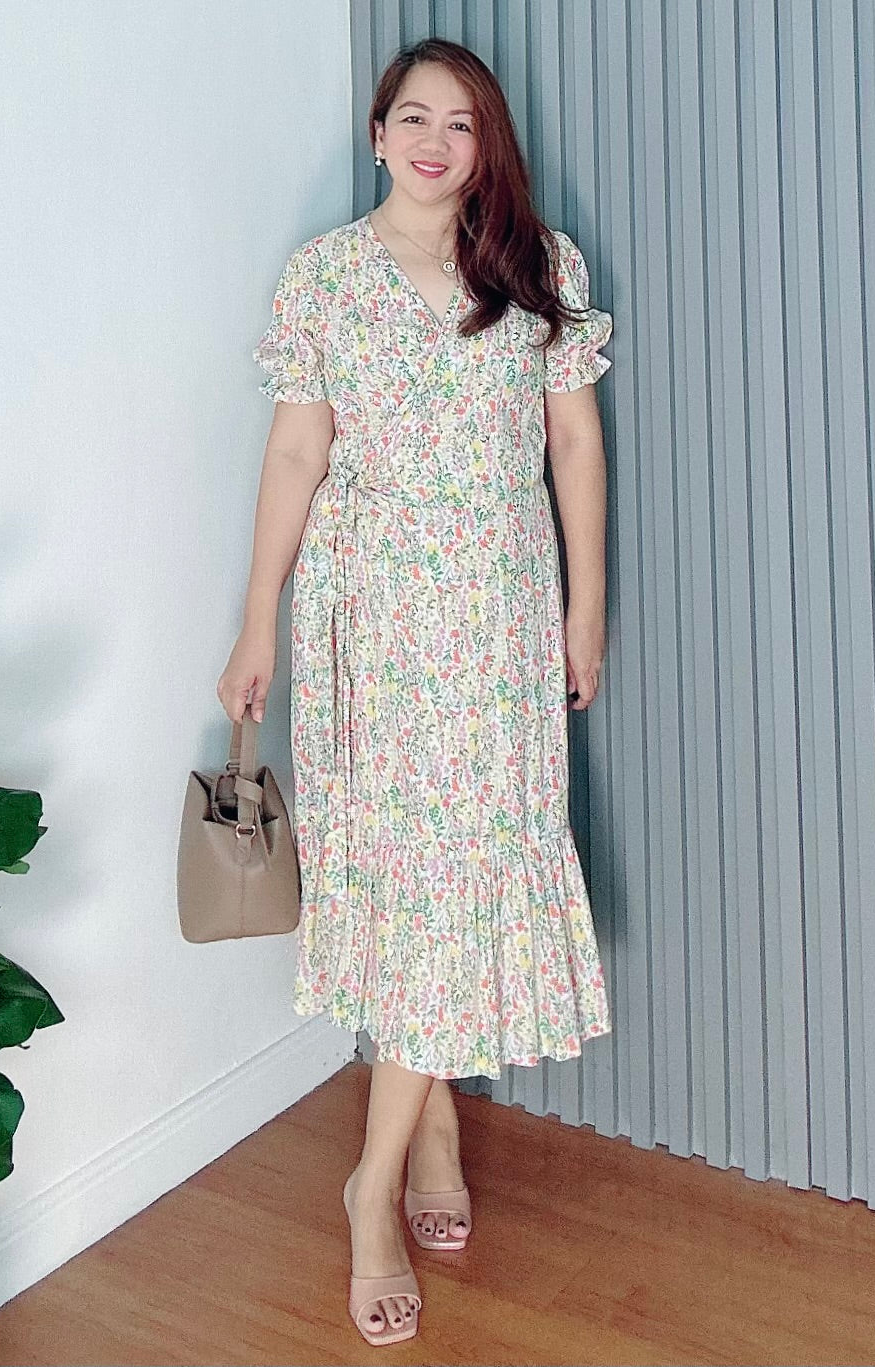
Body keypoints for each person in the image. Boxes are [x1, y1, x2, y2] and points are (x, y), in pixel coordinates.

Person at [217, 35, 614, 1349]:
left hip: (496, 612)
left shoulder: (537, 265)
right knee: (403, 877)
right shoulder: (325, 277)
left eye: (462, 122)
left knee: (463, 874)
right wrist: (257, 619)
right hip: (368, 616)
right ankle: (388, 1172)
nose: (437, 142)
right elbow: (295, 453)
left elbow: (571, 442)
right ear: (378, 132)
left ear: (485, 143)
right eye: (414, 118)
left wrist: (584, 606)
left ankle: (395, 1152)